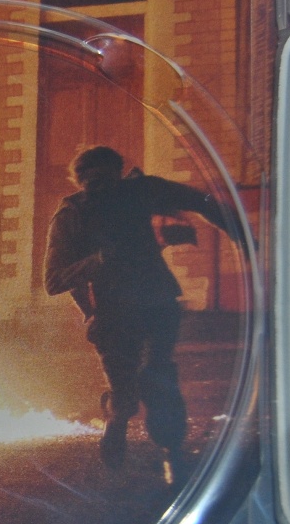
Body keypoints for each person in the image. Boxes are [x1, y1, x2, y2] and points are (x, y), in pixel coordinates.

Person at [43, 145, 238, 467]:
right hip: (113, 313)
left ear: (118, 174)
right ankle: (117, 421)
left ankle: (171, 451)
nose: (100, 187)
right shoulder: (72, 214)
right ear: (80, 182)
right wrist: (100, 260)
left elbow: (198, 200)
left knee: (157, 374)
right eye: (91, 180)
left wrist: (236, 230)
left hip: (155, 302)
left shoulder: (139, 191)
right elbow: (53, 280)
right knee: (126, 391)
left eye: (105, 178)